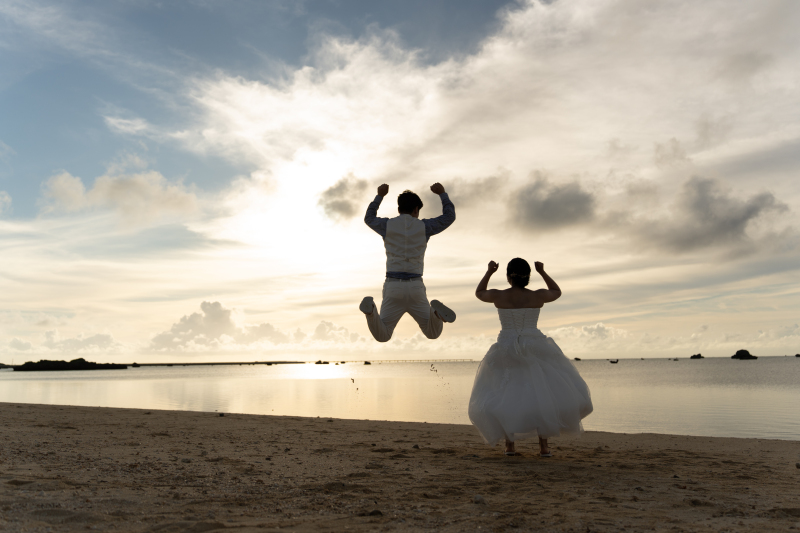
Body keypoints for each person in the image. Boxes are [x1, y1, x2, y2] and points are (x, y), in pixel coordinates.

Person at [468, 258, 593, 457]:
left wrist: (489, 272)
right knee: (539, 393)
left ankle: (510, 446)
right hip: (535, 345)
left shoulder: (500, 296)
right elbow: (556, 292)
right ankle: (543, 447)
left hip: (507, 346)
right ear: (528, 277)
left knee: (507, 392)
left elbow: (480, 293)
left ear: (509, 277)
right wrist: (543, 271)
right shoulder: (538, 296)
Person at [360, 183, 456, 342]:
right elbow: (449, 217)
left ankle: (370, 311)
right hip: (415, 286)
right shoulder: (424, 227)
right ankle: (436, 314)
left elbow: (369, 218)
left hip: (393, 286)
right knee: (432, 333)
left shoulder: (387, 226)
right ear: (416, 210)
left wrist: (380, 196)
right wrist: (442, 194)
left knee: (383, 335)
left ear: (399, 209)